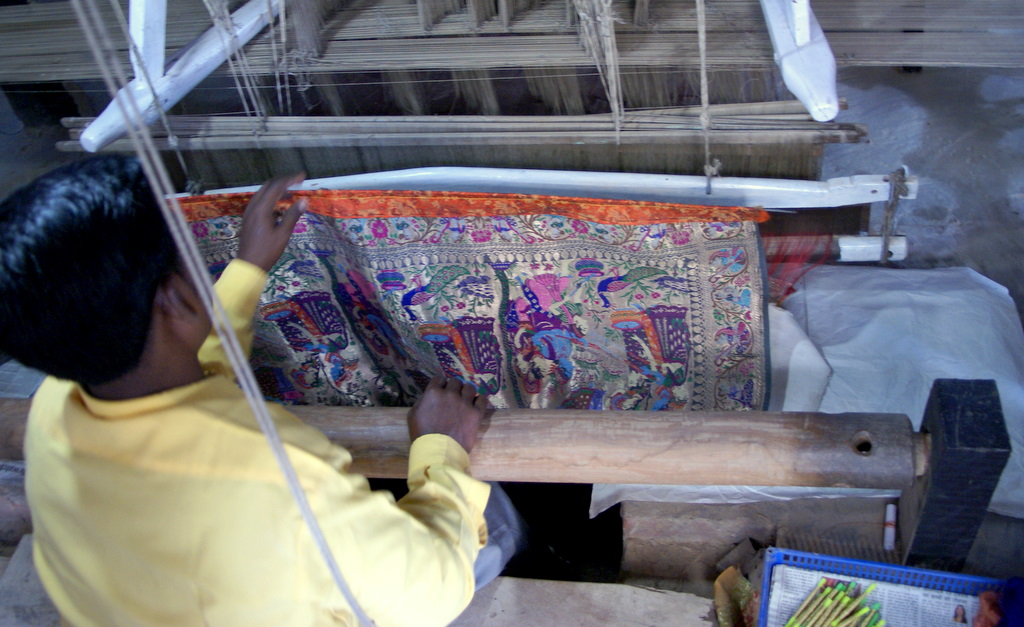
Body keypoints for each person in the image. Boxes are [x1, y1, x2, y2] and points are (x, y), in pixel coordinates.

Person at [0, 155, 493, 626]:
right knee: (497, 528)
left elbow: (177, 360)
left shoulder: (55, 405)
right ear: (175, 299)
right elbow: (434, 592)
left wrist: (246, 270)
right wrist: (443, 449)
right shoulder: (281, 480)